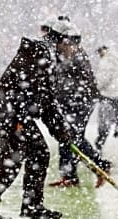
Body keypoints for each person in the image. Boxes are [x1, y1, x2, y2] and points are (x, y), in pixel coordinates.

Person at [0, 19, 76, 219]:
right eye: (72, 43)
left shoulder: (47, 54)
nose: (74, 49)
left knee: (39, 154)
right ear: (61, 40)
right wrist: (56, 127)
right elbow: (35, 96)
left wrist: (60, 129)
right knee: (12, 160)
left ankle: (31, 206)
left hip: (13, 113)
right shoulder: (41, 54)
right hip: (8, 113)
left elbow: (45, 101)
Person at [46, 18, 112, 188]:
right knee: (67, 137)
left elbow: (71, 82)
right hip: (70, 101)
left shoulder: (74, 53)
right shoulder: (61, 53)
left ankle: (99, 166)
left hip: (81, 102)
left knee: (72, 136)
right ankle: (70, 175)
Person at [92, 45, 118, 153]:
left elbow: (103, 79)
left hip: (107, 95)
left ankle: (99, 146)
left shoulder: (107, 61)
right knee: (114, 123)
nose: (99, 54)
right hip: (117, 95)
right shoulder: (116, 59)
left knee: (103, 125)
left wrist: (95, 88)